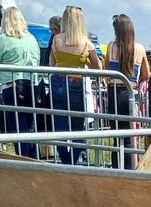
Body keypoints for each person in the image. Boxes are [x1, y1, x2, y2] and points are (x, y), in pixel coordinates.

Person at [47, 5, 99, 164]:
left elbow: (51, 64)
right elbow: (98, 67)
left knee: (60, 128)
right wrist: (85, 63)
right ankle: (73, 161)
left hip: (57, 81)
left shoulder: (56, 39)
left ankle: (65, 161)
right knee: (78, 129)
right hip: (76, 83)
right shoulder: (86, 43)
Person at [0, 6, 40, 159]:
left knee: (18, 125)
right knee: (30, 125)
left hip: (11, 85)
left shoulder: (3, 39)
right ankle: (33, 158)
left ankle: (22, 159)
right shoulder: (31, 38)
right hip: (31, 84)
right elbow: (37, 60)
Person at [104, 13, 149, 168]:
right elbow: (146, 74)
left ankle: (117, 167)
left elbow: (106, 68)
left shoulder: (111, 46)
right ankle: (129, 168)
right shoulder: (140, 48)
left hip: (113, 92)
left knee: (116, 133)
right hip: (131, 92)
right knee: (129, 134)